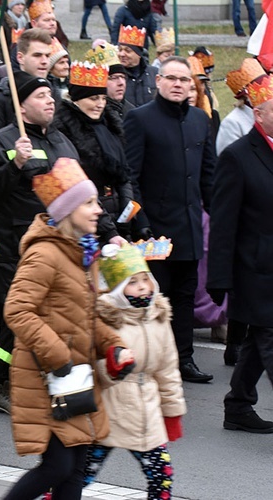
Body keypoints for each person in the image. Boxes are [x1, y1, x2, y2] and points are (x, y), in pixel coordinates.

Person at [2, 158, 134, 500]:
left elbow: (88, 316)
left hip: (76, 377)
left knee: (74, 470)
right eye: (89, 202)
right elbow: (17, 310)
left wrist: (113, 346)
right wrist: (58, 355)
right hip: (50, 376)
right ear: (68, 209)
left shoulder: (81, 253)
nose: (98, 210)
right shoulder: (45, 254)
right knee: (58, 467)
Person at [0, 72, 79, 415]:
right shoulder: (2, 142)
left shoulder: (63, 142)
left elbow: (77, 195)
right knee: (18, 321)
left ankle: (53, 384)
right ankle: (0, 385)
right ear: (21, 108)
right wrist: (14, 164)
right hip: (15, 250)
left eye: (51, 96)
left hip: (60, 247)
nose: (50, 100)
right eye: (40, 96)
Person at [124, 56, 216, 383]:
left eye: (184, 79)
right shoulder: (139, 119)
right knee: (153, 300)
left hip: (189, 228)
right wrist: (141, 221)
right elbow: (130, 178)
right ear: (159, 81)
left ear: (192, 85)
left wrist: (216, 215)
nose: (178, 84)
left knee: (185, 296)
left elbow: (209, 175)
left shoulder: (199, 119)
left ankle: (184, 359)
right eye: (172, 78)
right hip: (153, 232)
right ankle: (152, 361)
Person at [84, 243, 186, 499]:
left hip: (147, 414)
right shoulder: (105, 320)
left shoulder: (158, 317)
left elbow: (168, 370)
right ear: (117, 289)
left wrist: (172, 412)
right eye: (132, 282)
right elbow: (91, 366)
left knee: (162, 479)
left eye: (145, 279)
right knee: (81, 475)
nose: (142, 287)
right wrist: (111, 366)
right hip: (108, 413)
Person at [207, 74, 273, 434]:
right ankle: (239, 406)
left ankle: (238, 405)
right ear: (258, 114)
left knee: (257, 340)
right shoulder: (237, 156)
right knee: (270, 337)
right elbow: (223, 222)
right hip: (255, 267)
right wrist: (219, 279)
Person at [52, 61, 133, 244]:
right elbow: (77, 187)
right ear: (76, 99)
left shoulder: (110, 126)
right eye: (93, 99)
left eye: (103, 98)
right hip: (87, 223)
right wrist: (108, 230)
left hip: (118, 220)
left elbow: (124, 173)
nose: (100, 104)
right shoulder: (64, 131)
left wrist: (127, 205)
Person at [0, 28, 53, 145]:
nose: (44, 61)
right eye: (37, 55)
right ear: (20, 58)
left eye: (47, 55)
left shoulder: (53, 97)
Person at [85, 39, 134, 120]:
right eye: (114, 78)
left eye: (123, 77)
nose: (121, 83)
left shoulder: (131, 112)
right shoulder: (93, 114)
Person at [117, 25, 158, 107]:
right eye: (120, 49)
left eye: (127, 51)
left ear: (139, 54)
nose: (122, 54)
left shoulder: (154, 73)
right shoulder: (115, 77)